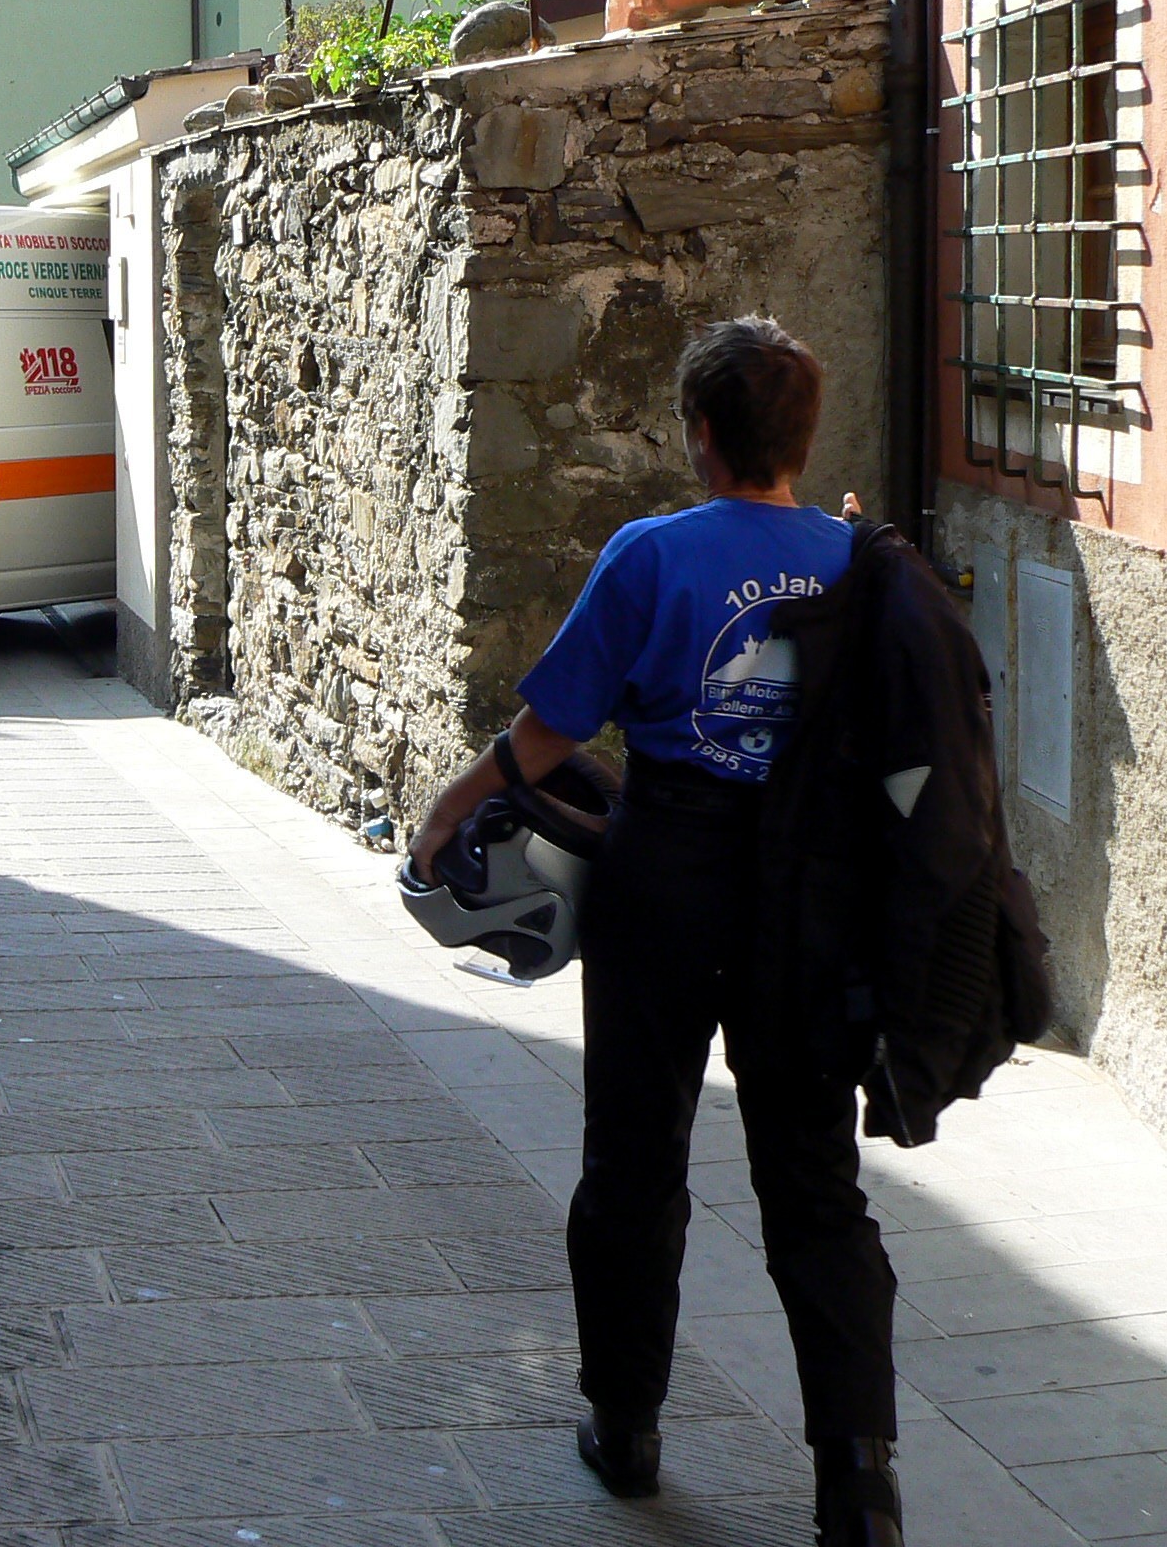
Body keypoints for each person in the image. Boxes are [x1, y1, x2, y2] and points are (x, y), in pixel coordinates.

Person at [410, 317, 904, 1547]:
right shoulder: (857, 561)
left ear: (698, 435)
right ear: (800, 436)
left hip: (667, 867)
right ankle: (858, 1481)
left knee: (634, 1154)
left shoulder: (648, 555)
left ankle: (624, 1429)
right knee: (814, 1182)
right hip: (805, 892)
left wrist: (446, 811)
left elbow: (542, 737)